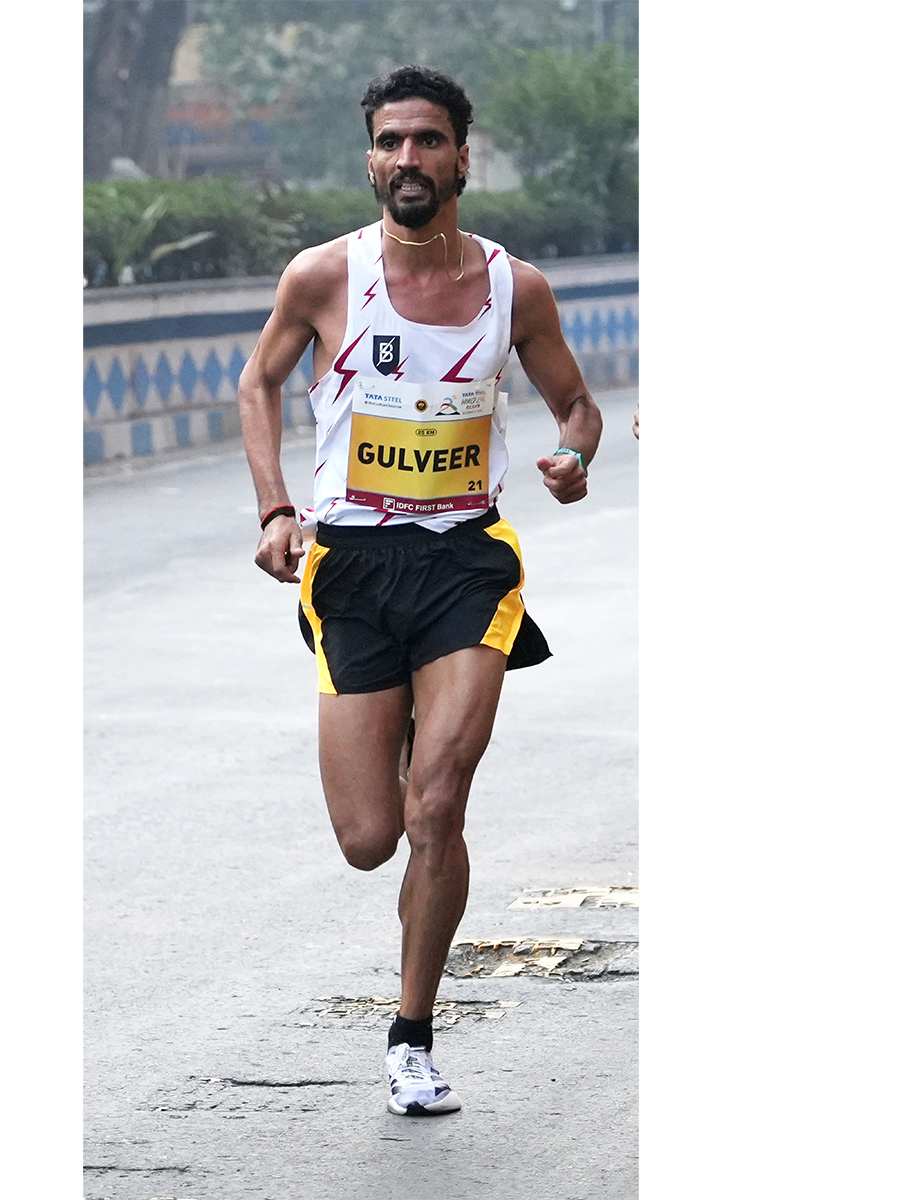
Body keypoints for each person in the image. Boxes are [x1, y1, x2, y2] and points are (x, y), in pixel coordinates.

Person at [237, 65, 604, 1116]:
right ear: (370, 156)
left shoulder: (511, 288)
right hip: (350, 565)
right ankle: (401, 739)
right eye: (391, 141)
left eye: (428, 141)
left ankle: (411, 1038)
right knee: (369, 839)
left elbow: (574, 406)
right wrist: (274, 508)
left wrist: (572, 457)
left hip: (463, 562)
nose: (408, 159)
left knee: (437, 804)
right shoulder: (321, 277)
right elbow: (258, 382)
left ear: (459, 157)